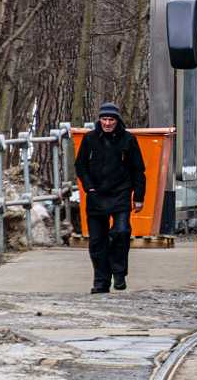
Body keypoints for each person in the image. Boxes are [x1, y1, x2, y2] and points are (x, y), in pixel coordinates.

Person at [74, 102, 146, 294]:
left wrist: (139, 197)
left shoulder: (128, 140)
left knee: (121, 232)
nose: (107, 123)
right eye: (104, 119)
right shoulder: (90, 139)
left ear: (117, 120)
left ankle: (119, 273)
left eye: (111, 120)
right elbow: (80, 165)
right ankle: (101, 281)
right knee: (97, 241)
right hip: (96, 195)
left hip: (120, 194)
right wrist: (89, 187)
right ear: (100, 120)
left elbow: (138, 170)